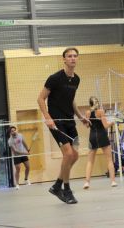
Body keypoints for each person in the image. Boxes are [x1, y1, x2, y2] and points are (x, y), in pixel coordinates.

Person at [37, 47, 89, 204]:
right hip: (56, 122)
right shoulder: (54, 78)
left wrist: (80, 117)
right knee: (68, 154)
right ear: (64, 59)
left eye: (75, 56)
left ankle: (57, 185)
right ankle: (66, 190)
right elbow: (40, 99)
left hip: (70, 121)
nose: (73, 58)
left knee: (75, 155)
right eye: (69, 56)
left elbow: (71, 100)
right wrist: (47, 117)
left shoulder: (76, 79)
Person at [83, 96, 117, 189]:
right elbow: (105, 126)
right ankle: (113, 181)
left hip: (92, 137)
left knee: (90, 161)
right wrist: (113, 122)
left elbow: (86, 126)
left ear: (90, 103)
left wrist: (85, 120)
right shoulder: (101, 111)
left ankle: (87, 182)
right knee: (109, 160)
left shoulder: (87, 113)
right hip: (102, 136)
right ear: (97, 102)